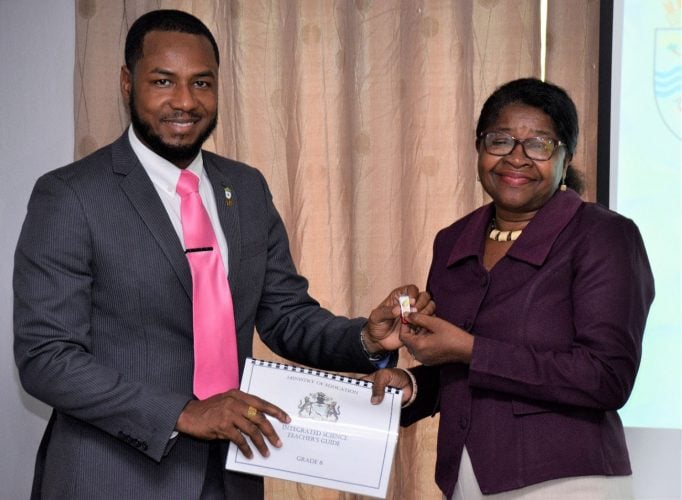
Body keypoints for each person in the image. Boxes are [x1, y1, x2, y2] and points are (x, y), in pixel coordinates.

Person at [13, 10, 433, 500]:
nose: (186, 101)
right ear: (127, 83)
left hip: (233, 473)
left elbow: (285, 316)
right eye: (163, 81)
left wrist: (363, 336)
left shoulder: (246, 188)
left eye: (202, 83)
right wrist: (183, 412)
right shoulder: (70, 195)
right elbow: (46, 357)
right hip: (114, 474)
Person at [369, 78, 655, 499]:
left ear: (565, 156)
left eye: (538, 144)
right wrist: (412, 387)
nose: (516, 158)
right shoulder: (453, 240)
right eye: (500, 141)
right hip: (465, 480)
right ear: (480, 148)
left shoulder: (603, 236)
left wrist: (469, 349)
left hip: (567, 482)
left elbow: (607, 377)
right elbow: (461, 369)